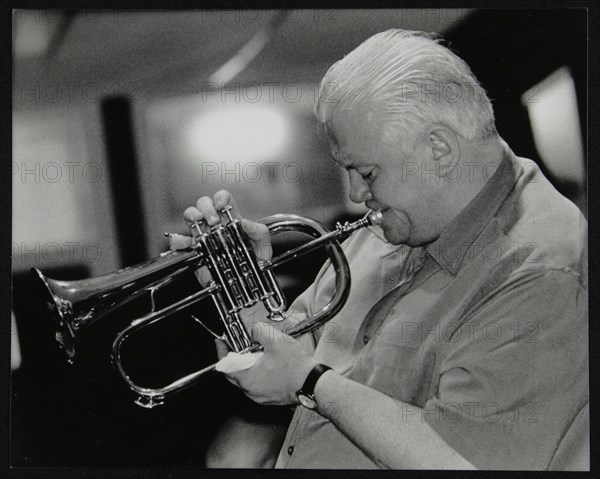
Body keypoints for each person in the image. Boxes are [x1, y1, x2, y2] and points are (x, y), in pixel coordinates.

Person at [179, 30, 588, 469]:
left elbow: (463, 460)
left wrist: (312, 383)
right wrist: (248, 302)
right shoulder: (396, 224)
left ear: (440, 149)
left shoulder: (542, 269)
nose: (356, 194)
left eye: (367, 172)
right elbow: (291, 357)